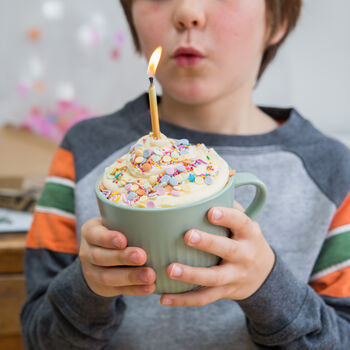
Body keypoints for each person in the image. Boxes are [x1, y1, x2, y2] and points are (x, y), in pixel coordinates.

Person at [21, 0, 350, 349]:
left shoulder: (330, 172)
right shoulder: (85, 152)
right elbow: (37, 337)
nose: (187, 12)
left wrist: (268, 288)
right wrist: (88, 287)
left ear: (277, 19)